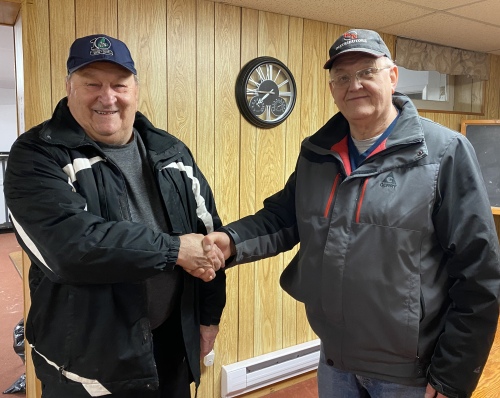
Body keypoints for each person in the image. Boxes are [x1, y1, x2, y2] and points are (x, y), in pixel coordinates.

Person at [204, 29, 500, 398]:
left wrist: (453, 375)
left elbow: (479, 273)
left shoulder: (444, 153)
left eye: (366, 72)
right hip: (335, 360)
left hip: (411, 372)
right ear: (332, 88)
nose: (354, 85)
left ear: (392, 77)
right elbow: (285, 217)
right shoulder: (318, 153)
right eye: (342, 77)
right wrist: (230, 241)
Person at [4, 34, 226, 398]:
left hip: (169, 348)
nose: (107, 97)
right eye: (92, 84)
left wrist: (208, 317)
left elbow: (208, 238)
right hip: (87, 365)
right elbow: (70, 248)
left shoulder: (171, 152)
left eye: (119, 85)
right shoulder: (36, 154)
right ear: (69, 87)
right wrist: (173, 250)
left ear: (135, 89)